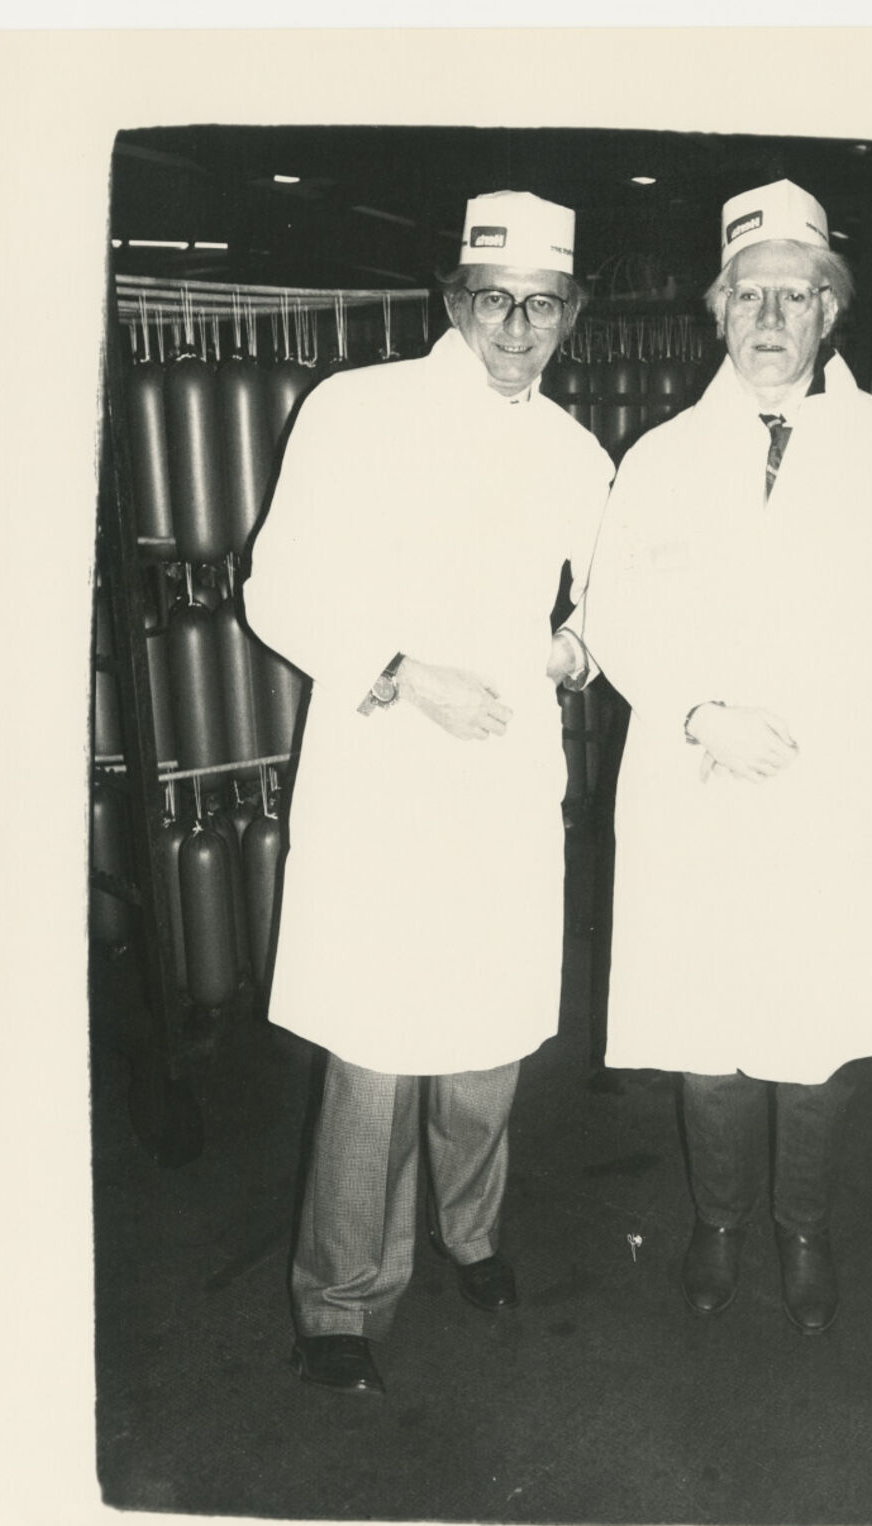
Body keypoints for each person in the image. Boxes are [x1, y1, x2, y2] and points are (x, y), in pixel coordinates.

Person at [581, 179, 872, 1333]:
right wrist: (702, 713)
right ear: (717, 309)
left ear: (828, 311)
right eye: (748, 294)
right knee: (704, 1027)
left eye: (794, 296)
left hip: (826, 782)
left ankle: (803, 1228)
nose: (768, 316)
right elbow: (616, 617)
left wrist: (803, 715)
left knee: (812, 1028)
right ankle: (718, 1220)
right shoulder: (659, 459)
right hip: (696, 777)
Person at [243, 191, 614, 1394]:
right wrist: (403, 672)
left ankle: (473, 1231)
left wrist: (583, 642)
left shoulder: (577, 453)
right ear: (454, 301)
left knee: (488, 1033)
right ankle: (342, 1295)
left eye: (542, 306)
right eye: (495, 300)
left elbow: (615, 595)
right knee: (378, 1043)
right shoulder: (357, 412)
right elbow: (276, 586)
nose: (516, 328)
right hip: (388, 770)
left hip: (502, 775)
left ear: (569, 316)